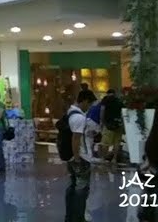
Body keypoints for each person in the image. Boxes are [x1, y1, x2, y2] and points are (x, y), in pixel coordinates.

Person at [60, 89, 97, 222]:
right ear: (85, 101)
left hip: (73, 157)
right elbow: (76, 139)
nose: (90, 107)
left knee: (72, 187)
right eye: (90, 104)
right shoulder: (79, 117)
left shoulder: (71, 113)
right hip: (81, 157)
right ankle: (78, 218)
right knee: (81, 190)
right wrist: (77, 159)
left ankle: (70, 217)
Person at [99, 89, 124, 164]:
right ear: (114, 93)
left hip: (108, 124)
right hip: (118, 124)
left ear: (107, 93)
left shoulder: (106, 100)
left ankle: (103, 158)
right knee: (117, 142)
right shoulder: (119, 101)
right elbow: (123, 113)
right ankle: (114, 159)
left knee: (105, 142)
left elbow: (102, 110)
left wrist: (101, 122)